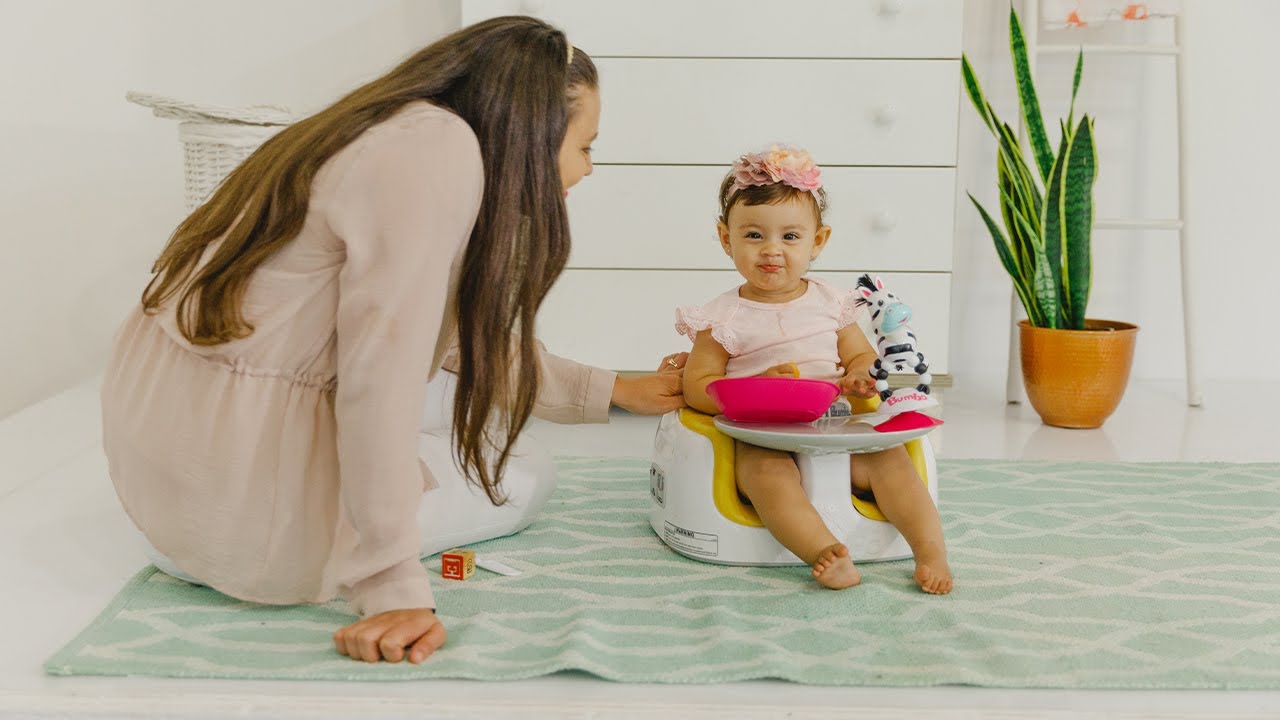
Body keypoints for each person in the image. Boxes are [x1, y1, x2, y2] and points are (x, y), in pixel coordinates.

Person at [101, 16, 688, 666]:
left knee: (463, 409)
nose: (587, 167)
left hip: (171, 485)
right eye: (586, 145)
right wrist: (389, 585)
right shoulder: (436, 156)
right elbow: (378, 372)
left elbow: (461, 342)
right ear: (531, 131)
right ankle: (345, 530)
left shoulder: (384, 127)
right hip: (244, 523)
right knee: (526, 473)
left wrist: (611, 390)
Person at [675, 145, 953, 595]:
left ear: (817, 241)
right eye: (753, 236)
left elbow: (862, 358)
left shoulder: (831, 304)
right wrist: (753, 389)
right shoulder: (720, 317)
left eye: (789, 237)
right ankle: (823, 550)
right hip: (762, 435)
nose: (771, 251)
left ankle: (930, 549)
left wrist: (862, 374)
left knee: (892, 462)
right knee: (767, 477)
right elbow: (697, 388)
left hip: (838, 427)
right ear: (726, 239)